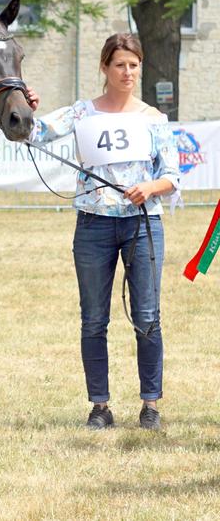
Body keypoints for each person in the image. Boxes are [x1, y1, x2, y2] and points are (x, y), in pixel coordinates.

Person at [25, 33, 179, 431]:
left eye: (133, 64)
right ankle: (99, 406)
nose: (127, 72)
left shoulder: (153, 119)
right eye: (119, 65)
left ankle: (150, 405)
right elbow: (34, 131)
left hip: (143, 225)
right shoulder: (81, 114)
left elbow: (172, 176)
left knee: (147, 316)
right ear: (105, 68)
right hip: (93, 226)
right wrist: (28, 108)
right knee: (93, 320)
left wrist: (150, 187)